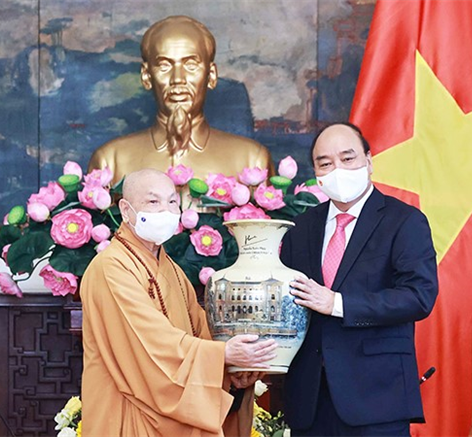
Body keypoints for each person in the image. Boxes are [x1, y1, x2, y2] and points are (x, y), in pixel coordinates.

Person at [80, 168, 278, 437]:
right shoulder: (110, 267)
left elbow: (201, 329)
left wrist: (231, 372)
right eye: (153, 201)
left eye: (172, 201)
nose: (166, 210)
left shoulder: (171, 267)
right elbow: (147, 342)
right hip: (128, 410)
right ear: (125, 210)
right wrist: (222, 355)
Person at [279, 122, 439, 437]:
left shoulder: (404, 221)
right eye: (325, 163)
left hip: (376, 397)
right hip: (310, 401)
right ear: (316, 172)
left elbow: (418, 296)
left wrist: (337, 303)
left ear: (369, 160)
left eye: (347, 158)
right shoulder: (301, 227)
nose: (337, 169)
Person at [88, 16, 274, 183]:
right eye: (164, 65)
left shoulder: (252, 161)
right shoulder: (110, 162)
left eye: (191, 65)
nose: (178, 79)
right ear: (146, 76)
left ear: (211, 75)